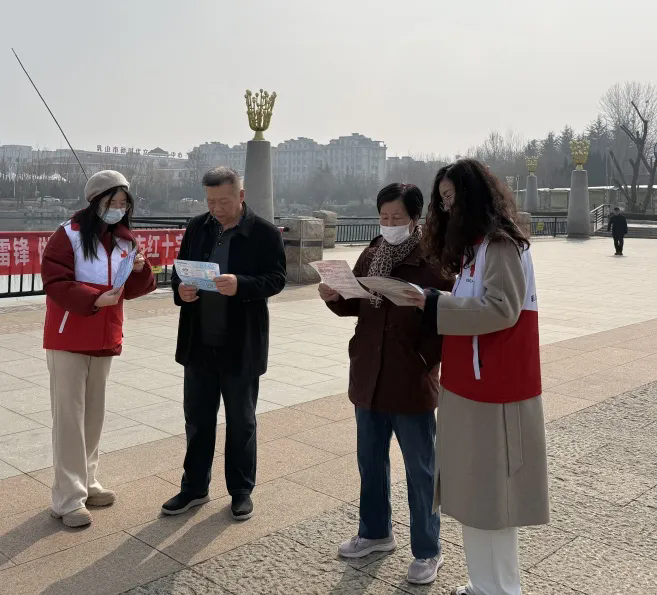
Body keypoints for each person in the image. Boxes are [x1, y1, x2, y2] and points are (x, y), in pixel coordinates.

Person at [402, 159, 549, 595]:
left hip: (496, 390)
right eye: (442, 201)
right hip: (470, 385)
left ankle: (502, 588)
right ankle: (483, 583)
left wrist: (434, 303)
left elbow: (502, 308)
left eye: (451, 198)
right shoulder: (476, 249)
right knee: (473, 496)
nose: (446, 208)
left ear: (473, 197)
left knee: (494, 501)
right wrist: (435, 300)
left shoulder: (501, 244)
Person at [319, 183, 453, 585]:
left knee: (420, 470)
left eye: (397, 217)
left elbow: (449, 317)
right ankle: (375, 532)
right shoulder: (372, 252)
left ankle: (428, 550)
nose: (389, 224)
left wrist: (424, 359)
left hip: (410, 379)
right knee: (370, 462)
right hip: (368, 376)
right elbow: (356, 304)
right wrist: (334, 295)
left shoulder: (432, 258)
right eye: (383, 217)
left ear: (414, 218)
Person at [162, 166, 286, 521]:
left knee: (241, 422)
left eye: (224, 201)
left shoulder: (263, 232)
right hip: (199, 341)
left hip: (240, 344)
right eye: (211, 201)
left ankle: (241, 490)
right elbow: (180, 272)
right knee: (198, 420)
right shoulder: (197, 227)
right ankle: (194, 487)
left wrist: (241, 284)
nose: (216, 208)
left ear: (240, 196)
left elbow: (276, 278)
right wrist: (181, 290)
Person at [42, 170, 156, 528]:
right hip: (69, 337)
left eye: (123, 203)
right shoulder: (67, 235)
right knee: (69, 418)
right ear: (95, 202)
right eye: (112, 202)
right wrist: (94, 299)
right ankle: (67, 498)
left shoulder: (125, 240)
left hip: (105, 337)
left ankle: (88, 482)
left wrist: (140, 269)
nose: (118, 209)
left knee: (94, 414)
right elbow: (55, 282)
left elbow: (135, 288)